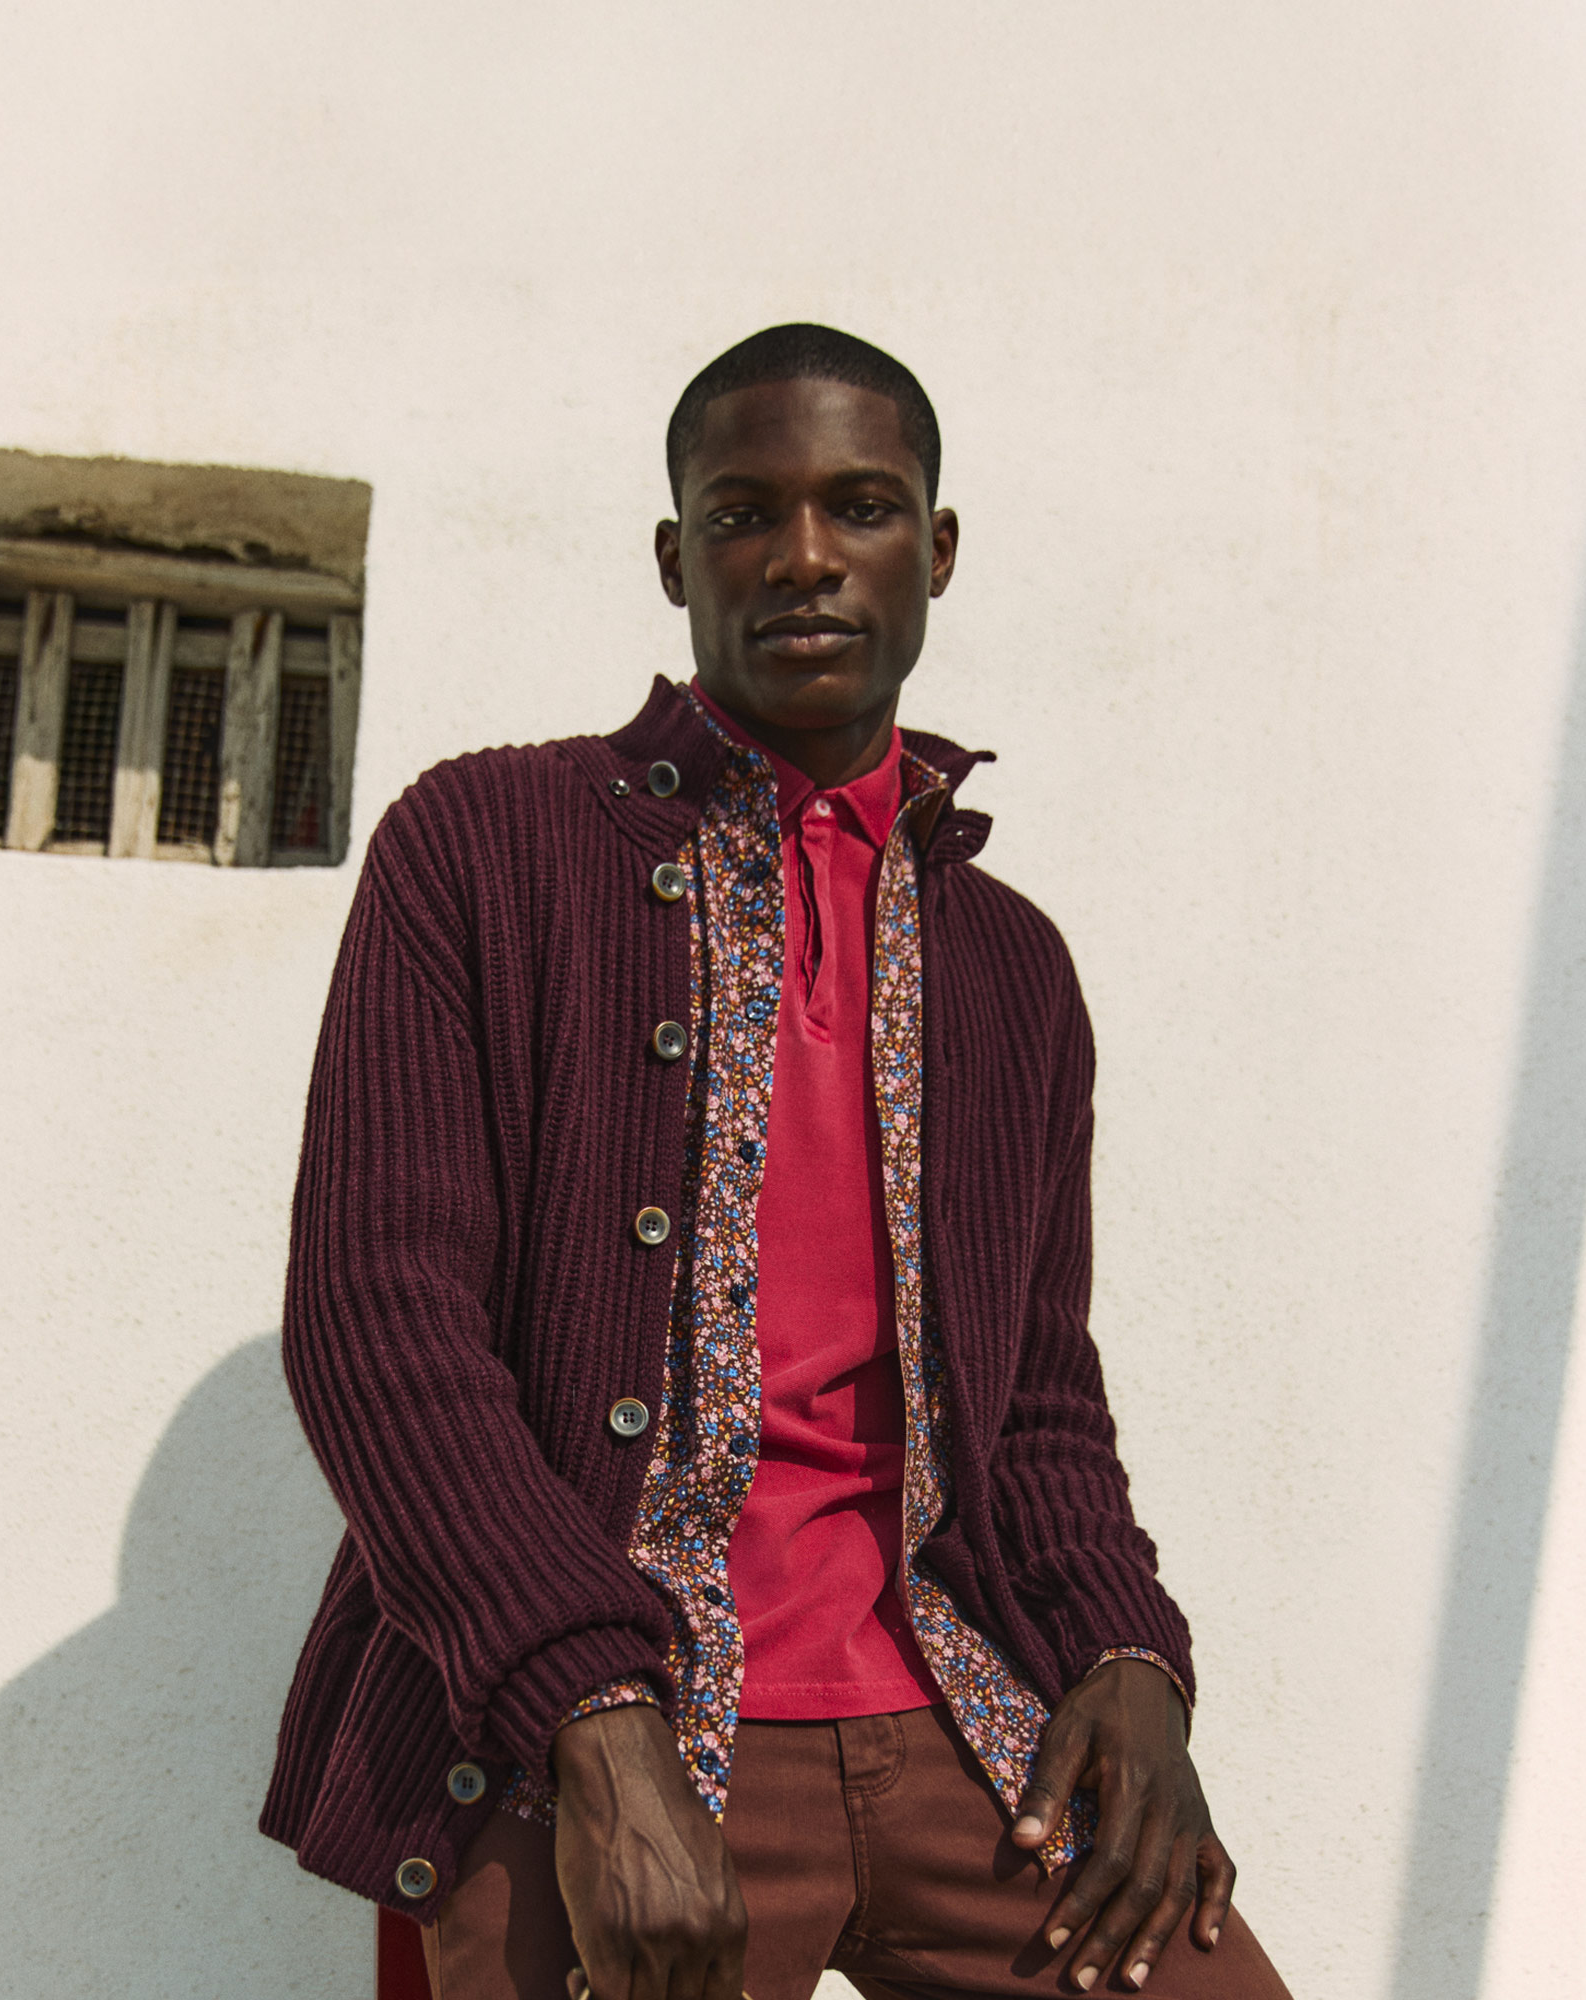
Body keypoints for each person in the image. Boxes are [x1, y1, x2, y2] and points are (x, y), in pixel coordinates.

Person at [261, 324, 1292, 2000]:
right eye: (745, 513)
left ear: (935, 549)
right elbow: (377, 1323)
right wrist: (597, 1725)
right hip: (594, 1728)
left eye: (860, 507)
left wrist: (1129, 1656)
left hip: (954, 1707)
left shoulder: (1009, 964)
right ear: (677, 559)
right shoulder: (483, 846)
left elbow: (1035, 1392)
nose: (804, 555)